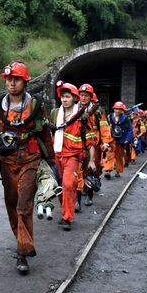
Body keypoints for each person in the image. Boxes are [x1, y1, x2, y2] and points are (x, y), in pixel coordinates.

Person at [0, 62, 54, 274]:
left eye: (16, 79)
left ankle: (23, 252)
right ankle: (21, 239)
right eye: (8, 79)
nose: (11, 83)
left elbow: (45, 135)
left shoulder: (37, 106)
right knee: (11, 204)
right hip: (7, 161)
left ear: (25, 82)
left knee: (23, 204)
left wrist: (53, 162)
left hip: (30, 158)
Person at [49, 82, 96, 231]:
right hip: (56, 156)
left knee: (68, 184)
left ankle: (67, 218)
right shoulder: (55, 114)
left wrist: (92, 160)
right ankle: (66, 209)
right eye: (62, 96)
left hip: (73, 157)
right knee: (58, 187)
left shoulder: (82, 116)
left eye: (67, 96)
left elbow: (90, 140)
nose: (64, 99)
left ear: (75, 98)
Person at [76, 83, 113, 207]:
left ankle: (89, 195)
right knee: (78, 171)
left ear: (91, 97)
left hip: (94, 145)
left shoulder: (98, 111)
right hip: (78, 144)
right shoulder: (74, 109)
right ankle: (78, 199)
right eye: (81, 95)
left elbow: (104, 127)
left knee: (91, 171)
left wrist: (106, 142)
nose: (83, 98)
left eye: (86, 95)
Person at [104, 102, 133, 178]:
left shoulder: (126, 118)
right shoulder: (109, 117)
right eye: (116, 109)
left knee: (119, 156)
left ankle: (118, 170)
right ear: (114, 109)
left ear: (122, 110)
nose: (117, 111)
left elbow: (130, 129)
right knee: (110, 153)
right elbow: (105, 127)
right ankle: (108, 170)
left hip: (121, 140)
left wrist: (128, 139)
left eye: (119, 109)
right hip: (111, 139)